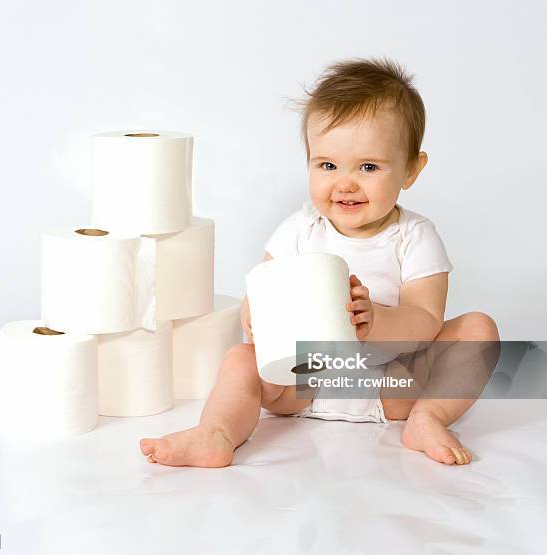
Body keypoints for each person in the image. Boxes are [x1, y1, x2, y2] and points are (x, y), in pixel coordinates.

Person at [140, 57, 500, 467]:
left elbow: (426, 320)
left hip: (390, 385)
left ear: (411, 171)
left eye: (368, 166)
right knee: (239, 359)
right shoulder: (300, 229)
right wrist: (254, 313)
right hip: (300, 381)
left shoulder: (415, 237)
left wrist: (377, 322)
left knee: (479, 330)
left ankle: (427, 417)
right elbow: (264, 288)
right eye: (327, 165)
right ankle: (217, 432)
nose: (344, 183)